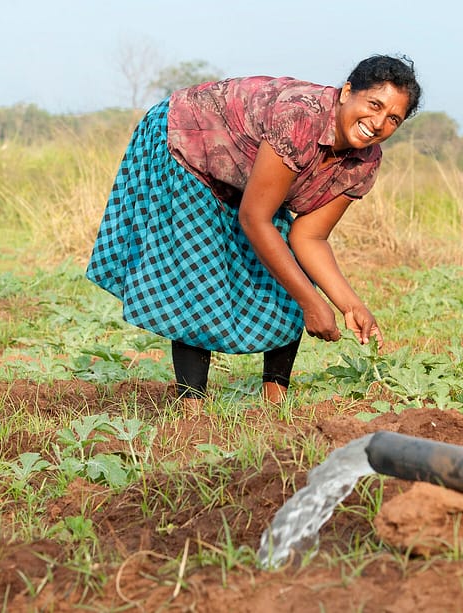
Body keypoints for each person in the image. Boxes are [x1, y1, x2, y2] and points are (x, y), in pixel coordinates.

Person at [86, 54, 422, 412]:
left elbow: (309, 238)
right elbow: (254, 218)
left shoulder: (365, 161)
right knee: (200, 272)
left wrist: (351, 306)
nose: (378, 122)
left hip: (244, 172)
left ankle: (275, 403)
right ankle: (191, 409)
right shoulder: (300, 117)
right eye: (374, 104)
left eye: (393, 118)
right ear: (347, 92)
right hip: (186, 143)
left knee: (286, 271)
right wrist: (312, 303)